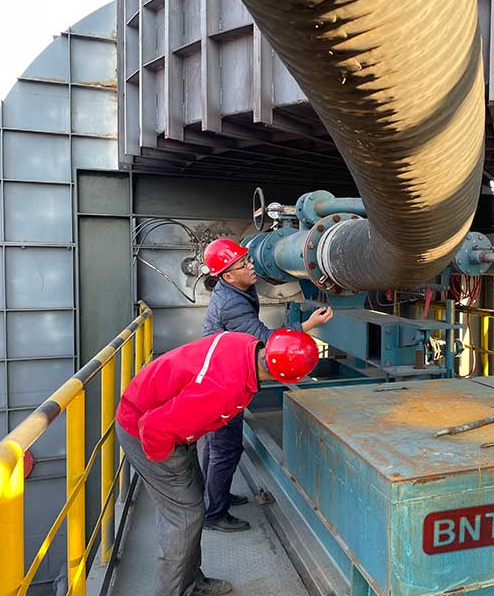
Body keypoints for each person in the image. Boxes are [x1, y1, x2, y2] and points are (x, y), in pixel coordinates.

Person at [116, 328, 319, 596]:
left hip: (164, 423)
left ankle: (191, 582)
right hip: (146, 435)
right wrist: (171, 466)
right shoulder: (223, 388)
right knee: (185, 517)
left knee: (192, 507)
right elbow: (153, 428)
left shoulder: (246, 345)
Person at [200, 238, 334, 532]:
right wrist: (308, 325)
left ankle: (213, 498)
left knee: (215, 444)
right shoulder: (232, 303)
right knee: (225, 447)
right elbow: (265, 340)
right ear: (227, 275)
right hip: (222, 381)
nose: (251, 267)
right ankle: (214, 515)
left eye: (248, 260)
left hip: (220, 373)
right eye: (243, 265)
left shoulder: (236, 288)